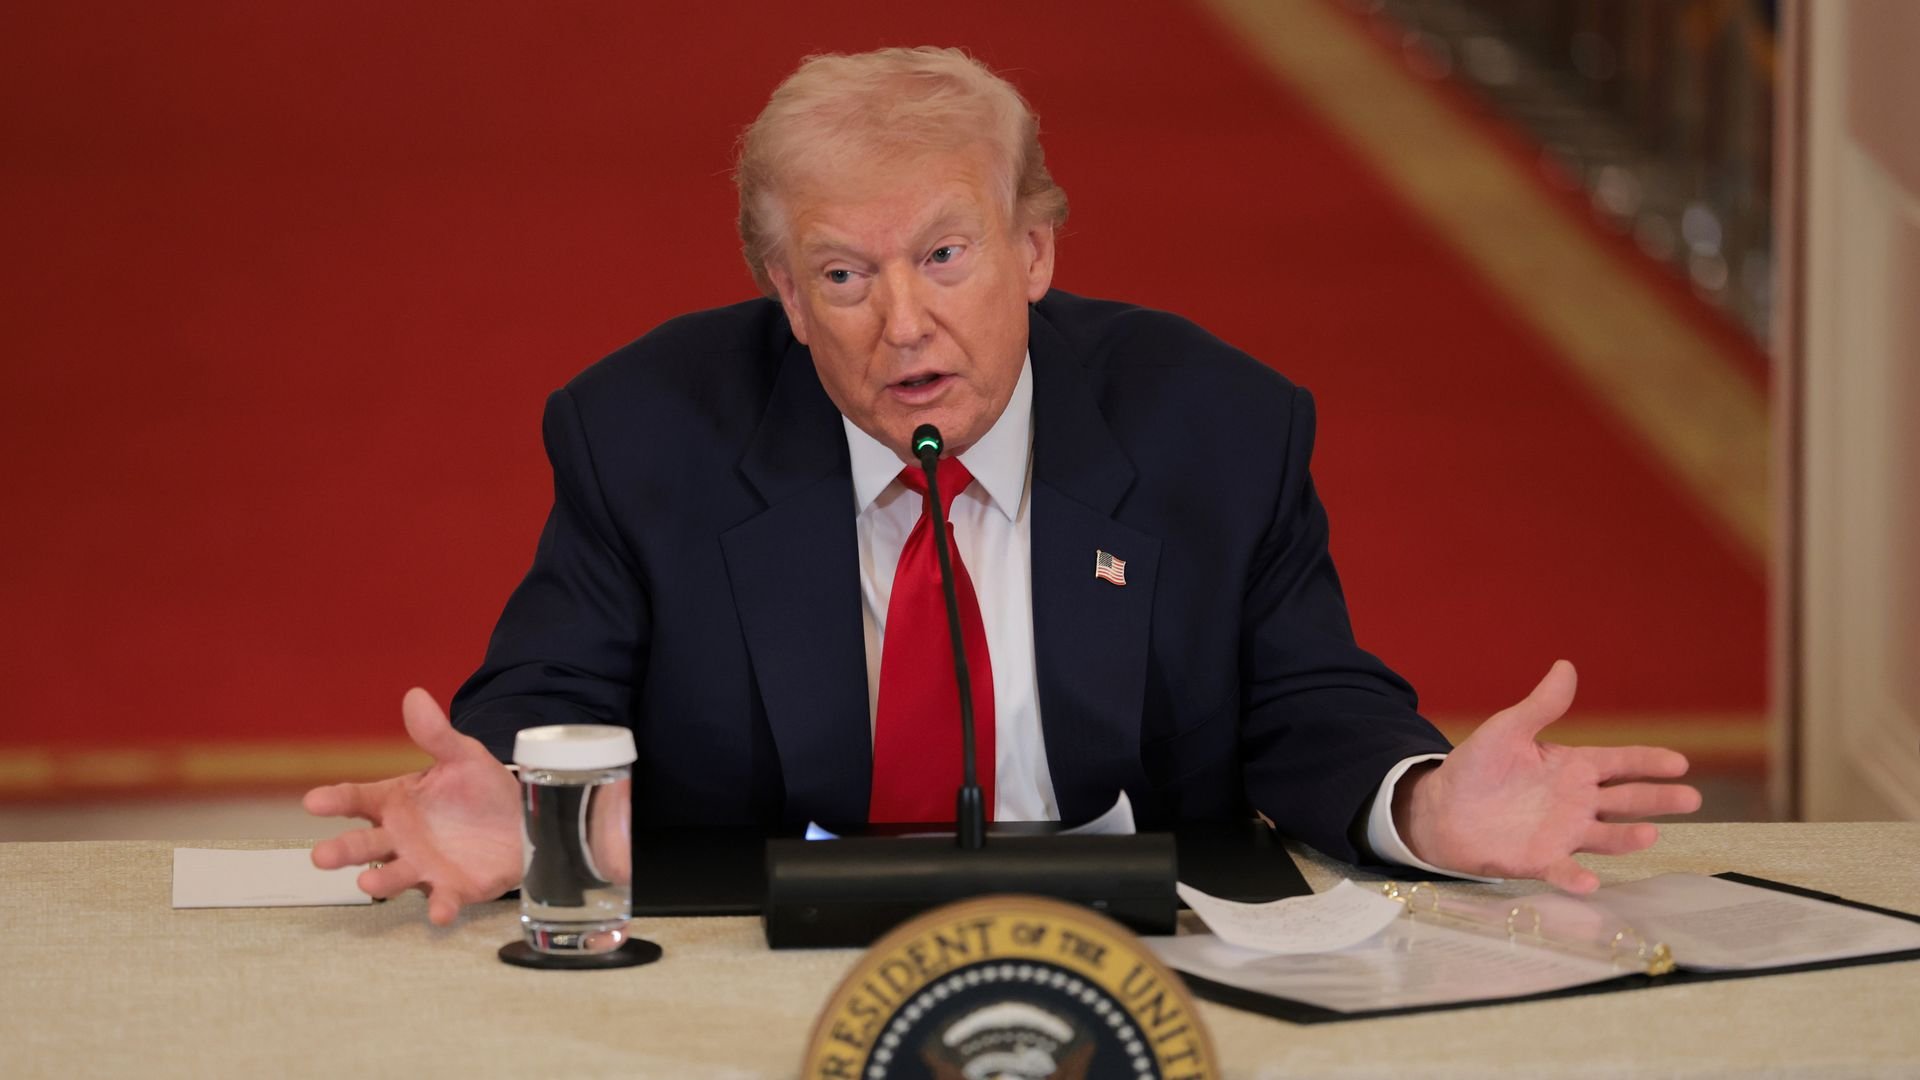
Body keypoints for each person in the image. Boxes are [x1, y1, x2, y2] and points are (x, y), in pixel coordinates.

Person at [307, 47, 1700, 926]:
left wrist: (1422, 806)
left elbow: (1304, 702)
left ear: (1036, 254)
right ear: (786, 296)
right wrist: (520, 806)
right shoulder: (646, 430)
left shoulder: (1216, 423)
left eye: (948, 257)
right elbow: (548, 694)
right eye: (844, 276)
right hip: (768, 955)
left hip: (1127, 955)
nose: (901, 323)